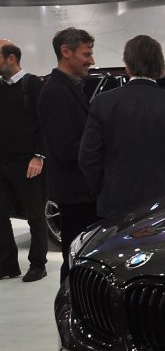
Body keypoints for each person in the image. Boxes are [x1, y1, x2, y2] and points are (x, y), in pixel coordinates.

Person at [79, 35, 165, 219]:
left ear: (127, 64)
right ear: (160, 64)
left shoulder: (103, 103)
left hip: (116, 204)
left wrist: (103, 190)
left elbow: (88, 158)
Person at [38, 27, 98, 282]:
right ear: (66, 51)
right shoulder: (55, 92)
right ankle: (72, 311)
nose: (92, 60)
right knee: (75, 262)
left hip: (82, 192)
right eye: (86, 54)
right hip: (75, 195)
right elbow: (65, 149)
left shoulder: (70, 88)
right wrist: (102, 143)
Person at [0, 39, 47, 281]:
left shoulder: (33, 84)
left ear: (10, 58)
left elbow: (45, 124)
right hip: (3, 162)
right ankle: (7, 265)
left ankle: (38, 264)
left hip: (28, 162)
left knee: (35, 215)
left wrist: (39, 156)